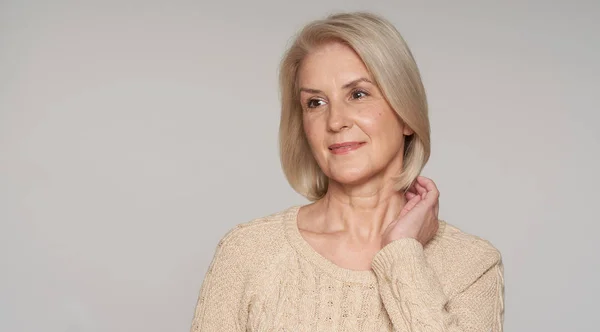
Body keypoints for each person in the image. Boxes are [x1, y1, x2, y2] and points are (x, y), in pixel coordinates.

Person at [190, 11, 504, 332]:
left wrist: (402, 254)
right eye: (315, 102)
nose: (335, 121)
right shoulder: (249, 251)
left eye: (358, 94)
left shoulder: (471, 265)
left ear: (406, 114)